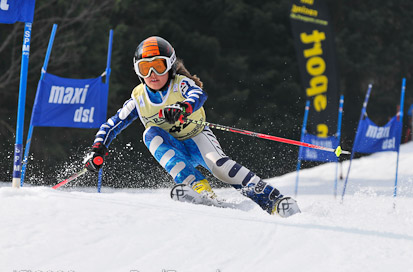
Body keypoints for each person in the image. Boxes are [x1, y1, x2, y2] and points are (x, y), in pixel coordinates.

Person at [83, 36, 300, 217]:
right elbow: (112, 124)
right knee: (150, 133)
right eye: (145, 68)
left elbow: (198, 94)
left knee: (220, 167)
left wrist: (182, 108)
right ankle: (200, 189)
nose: (152, 75)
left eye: (158, 66)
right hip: (173, 147)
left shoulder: (181, 84)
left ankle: (273, 200)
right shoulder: (139, 98)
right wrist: (98, 149)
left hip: (197, 138)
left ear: (169, 65)